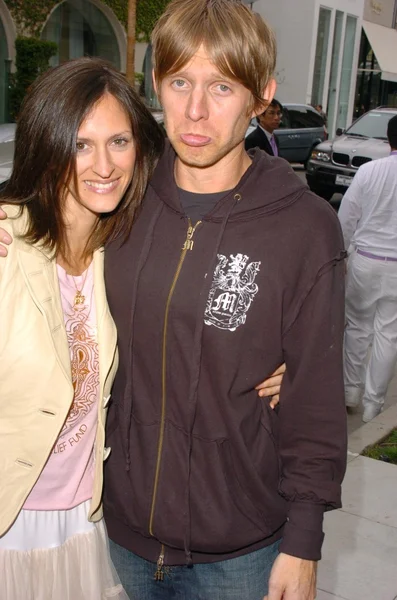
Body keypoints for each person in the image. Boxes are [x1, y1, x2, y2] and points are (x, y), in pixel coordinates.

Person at [0, 1, 346, 599]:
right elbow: (49, 196)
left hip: (241, 551)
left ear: (261, 94)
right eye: (181, 81)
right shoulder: (124, 199)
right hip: (115, 535)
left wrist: (304, 541)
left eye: (223, 86)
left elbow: (315, 402)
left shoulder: (305, 229)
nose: (196, 110)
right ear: (156, 81)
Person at [0, 56, 164, 599]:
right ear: (47, 148)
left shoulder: (122, 252)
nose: (103, 165)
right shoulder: (6, 245)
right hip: (9, 523)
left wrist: (279, 364)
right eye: (80, 144)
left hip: (83, 523)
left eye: (118, 142)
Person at [338, 115, 397, 423]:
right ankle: (373, 404)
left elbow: (347, 218)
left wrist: (342, 256)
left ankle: (350, 391)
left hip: (366, 259)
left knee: (357, 327)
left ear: (389, 140)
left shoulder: (369, 171)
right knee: (389, 334)